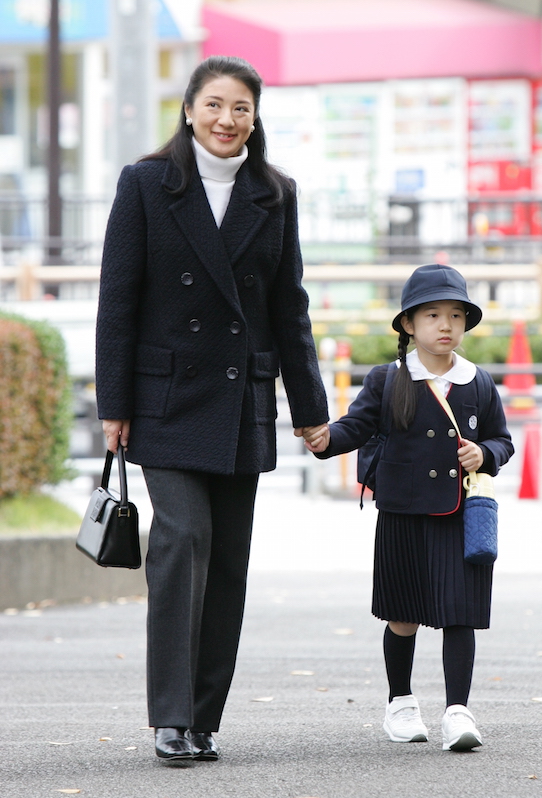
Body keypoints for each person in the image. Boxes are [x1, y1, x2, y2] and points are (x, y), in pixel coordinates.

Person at [95, 56, 329, 763]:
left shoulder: (274, 194)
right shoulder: (145, 184)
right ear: (189, 109)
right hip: (164, 400)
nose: (228, 121)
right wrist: (114, 404)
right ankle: (169, 716)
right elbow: (118, 300)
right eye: (216, 105)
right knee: (181, 539)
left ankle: (202, 718)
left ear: (256, 119)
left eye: (243, 109)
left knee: (227, 561)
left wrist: (310, 408)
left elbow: (289, 310)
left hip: (240, 399)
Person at [303, 264, 514, 751]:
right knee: (403, 615)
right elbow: (355, 427)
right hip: (400, 513)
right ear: (408, 325)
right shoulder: (388, 380)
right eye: (433, 315)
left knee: (461, 613)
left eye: (456, 315)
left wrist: (485, 454)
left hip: (461, 516)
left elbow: (503, 439)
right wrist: (325, 439)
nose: (446, 325)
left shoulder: (477, 382)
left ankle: (458, 711)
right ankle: (400, 703)